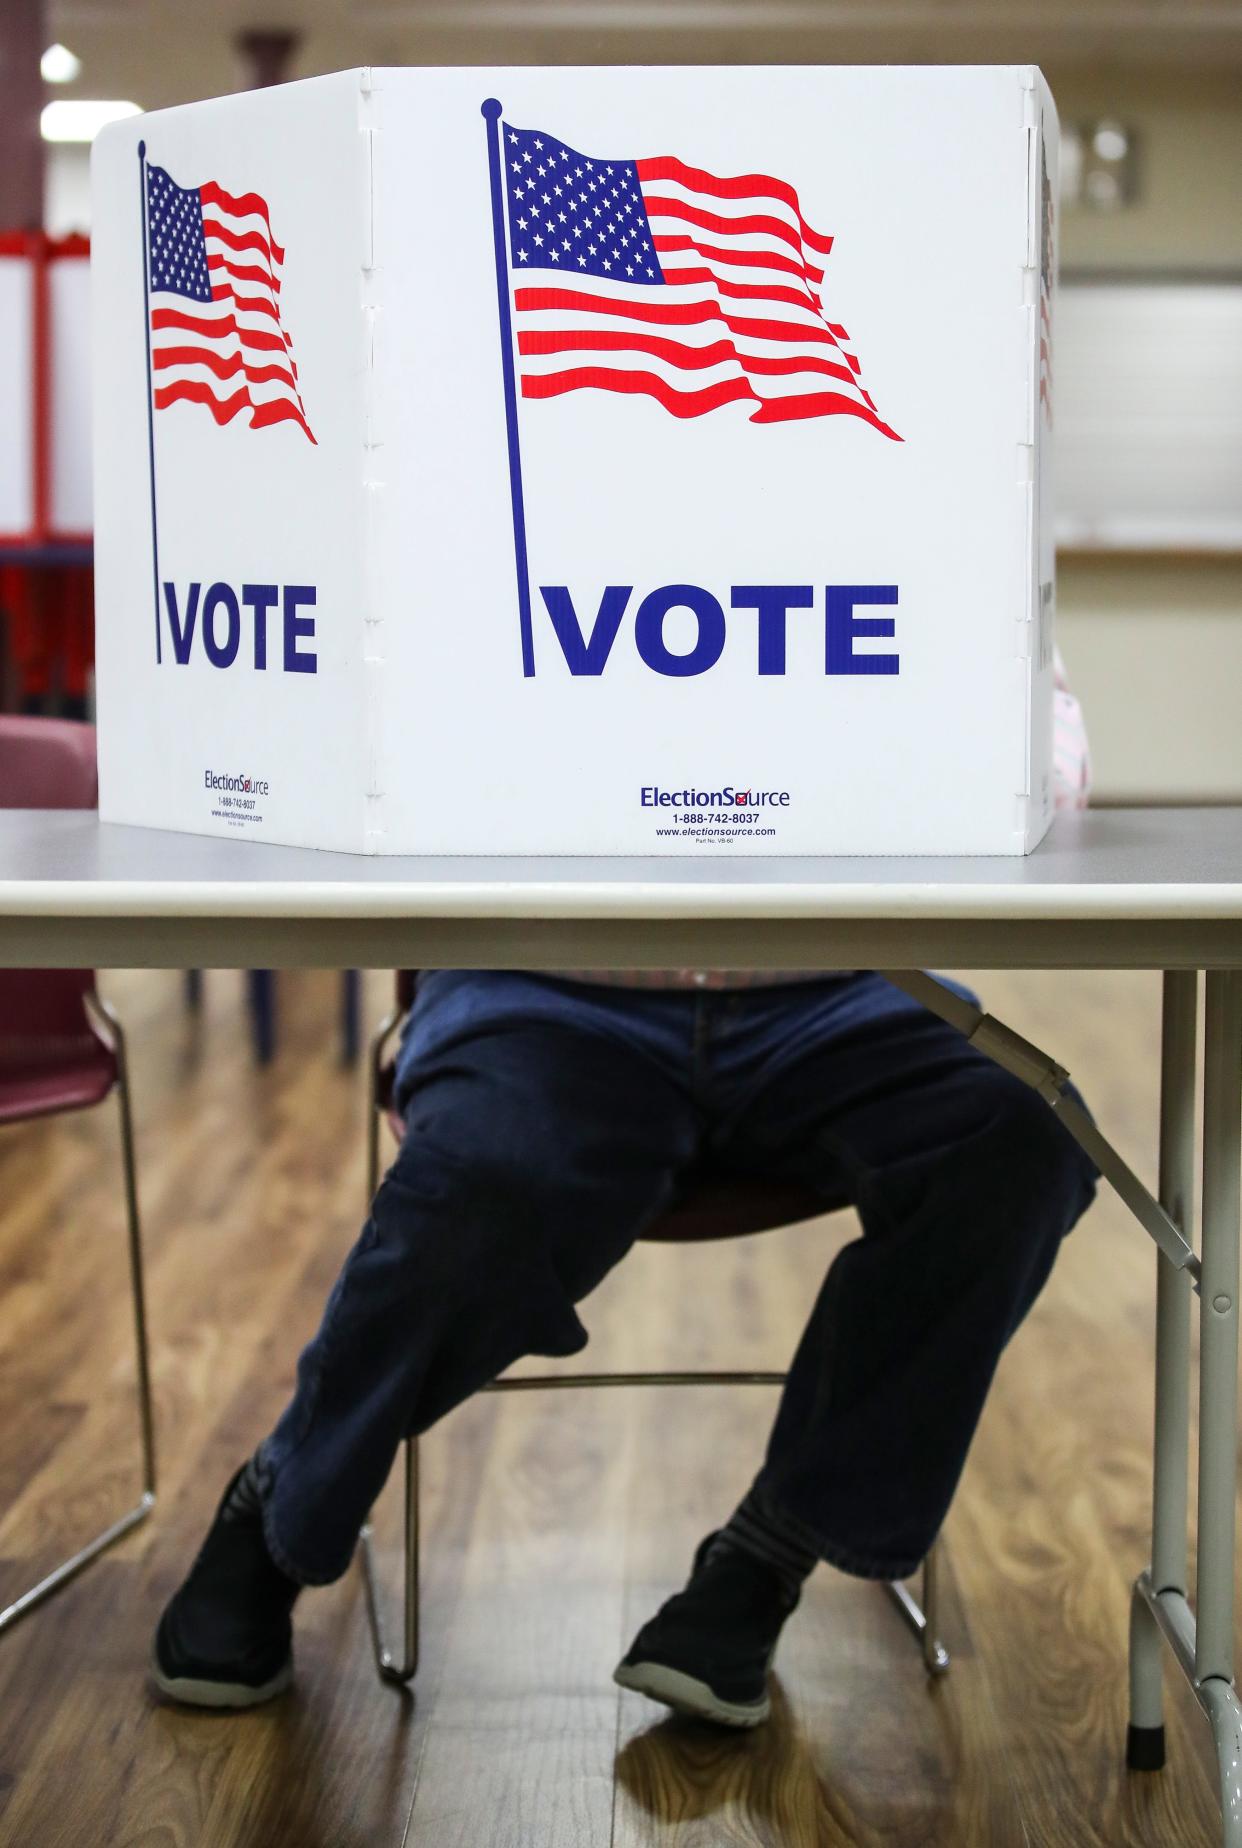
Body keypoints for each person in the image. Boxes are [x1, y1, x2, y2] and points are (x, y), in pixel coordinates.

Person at [151, 658, 1098, 1726]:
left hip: (841, 981)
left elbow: (1041, 718)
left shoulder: (923, 501)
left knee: (1020, 1144)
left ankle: (767, 1553)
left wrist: (953, 772)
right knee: (481, 1183)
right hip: (547, 978)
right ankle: (283, 1501)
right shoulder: (476, 498)